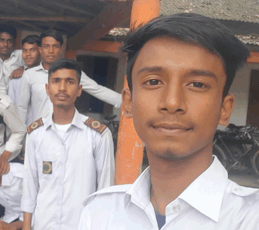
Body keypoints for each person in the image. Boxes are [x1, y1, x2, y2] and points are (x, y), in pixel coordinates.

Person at [78, 13, 259, 230]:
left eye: (197, 84)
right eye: (153, 81)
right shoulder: (99, 213)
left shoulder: (250, 218)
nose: (172, 103)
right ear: (128, 102)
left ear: (224, 108)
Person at [21, 59, 115, 230]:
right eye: (56, 81)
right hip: (43, 225)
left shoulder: (98, 135)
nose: (62, 88)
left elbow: (105, 191)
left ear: (79, 90)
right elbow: (29, 186)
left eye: (70, 82)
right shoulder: (35, 134)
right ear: (47, 88)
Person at [17, 30, 122, 123]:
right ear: (40, 49)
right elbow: (22, 107)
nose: (50, 51)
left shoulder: (73, 72)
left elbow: (97, 89)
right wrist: (21, 135)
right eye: (46, 46)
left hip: (65, 132)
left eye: (55, 46)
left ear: (61, 49)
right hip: (39, 133)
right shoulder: (30, 75)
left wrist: (124, 101)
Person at [8, 35, 41, 125]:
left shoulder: (47, 76)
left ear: (40, 51)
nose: (28, 54)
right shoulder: (15, 78)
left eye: (32, 50)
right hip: (20, 126)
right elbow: (11, 106)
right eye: (25, 50)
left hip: (41, 126)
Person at [0, 24, 26, 91]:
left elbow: (36, 67)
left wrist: (24, 68)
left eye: (9, 41)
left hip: (15, 99)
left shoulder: (21, 55)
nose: (5, 44)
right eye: (2, 40)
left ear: (14, 43)